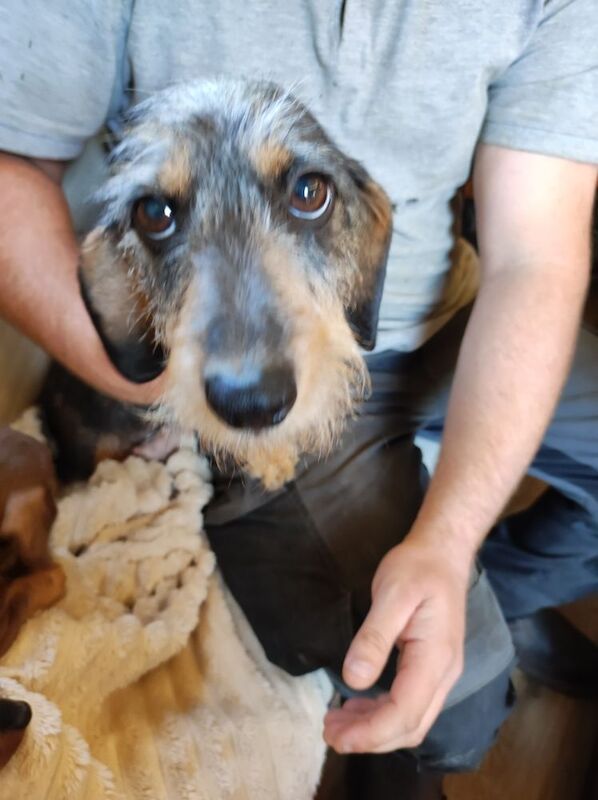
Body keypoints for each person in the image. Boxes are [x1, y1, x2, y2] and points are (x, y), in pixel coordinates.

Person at [0, 2, 596, 796]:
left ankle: (500, 591)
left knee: (456, 616)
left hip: (456, 307)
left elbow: (536, 261)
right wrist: (155, 381)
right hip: (238, 391)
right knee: (461, 714)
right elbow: (10, 168)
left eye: (308, 191)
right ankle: (477, 643)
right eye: (159, 209)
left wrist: (451, 545)